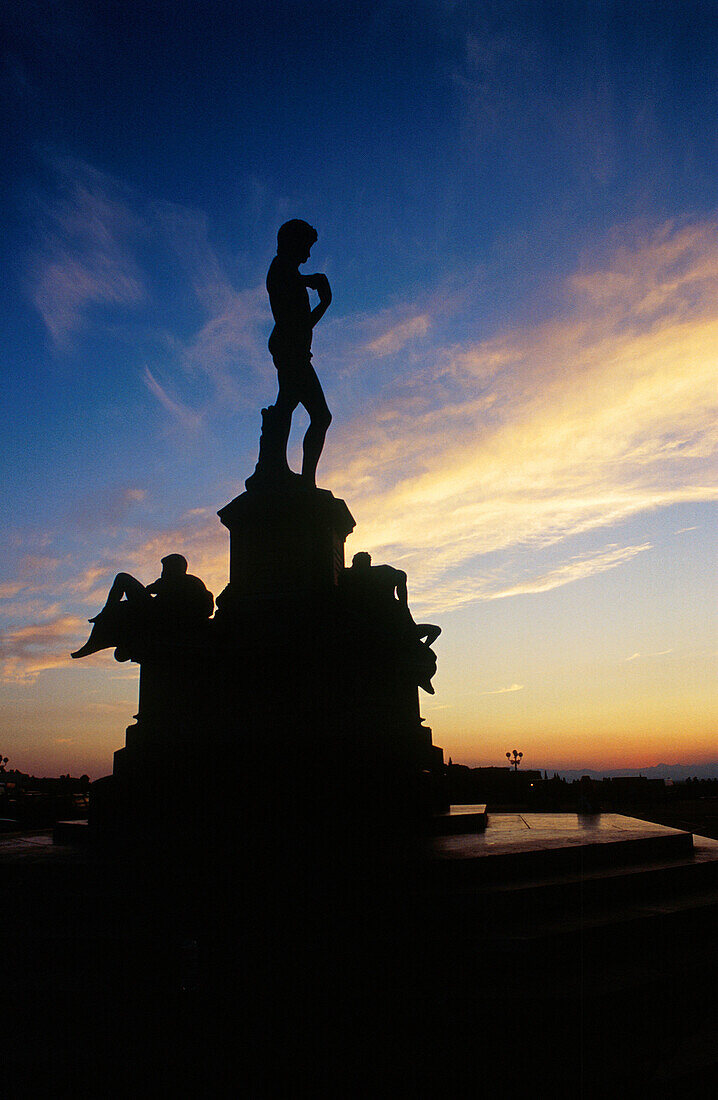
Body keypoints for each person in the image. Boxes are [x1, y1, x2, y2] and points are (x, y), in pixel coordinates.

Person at [265, 219, 333, 486]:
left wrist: (308, 279)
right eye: (305, 247)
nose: (308, 255)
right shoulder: (283, 271)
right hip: (292, 353)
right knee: (319, 415)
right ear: (293, 243)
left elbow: (295, 280)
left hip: (291, 351)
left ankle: (277, 468)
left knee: (287, 407)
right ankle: (303, 481)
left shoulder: (285, 270)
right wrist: (325, 303)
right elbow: (300, 324)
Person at [71, 554, 213, 661]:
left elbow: (151, 589)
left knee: (122, 579)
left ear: (175, 568)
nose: (163, 572)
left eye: (165, 569)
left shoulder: (183, 581)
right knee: (123, 606)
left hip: (157, 615)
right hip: (158, 614)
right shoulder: (185, 581)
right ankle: (103, 628)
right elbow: (152, 589)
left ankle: (104, 616)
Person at [340, 552, 441, 692]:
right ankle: (421, 676)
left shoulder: (374, 573)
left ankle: (422, 677)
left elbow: (401, 576)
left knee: (428, 651)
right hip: (379, 623)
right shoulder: (352, 575)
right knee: (426, 652)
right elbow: (401, 576)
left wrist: (403, 604)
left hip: (393, 622)